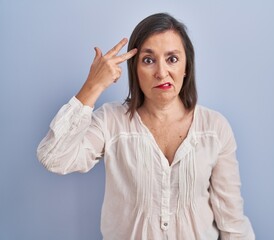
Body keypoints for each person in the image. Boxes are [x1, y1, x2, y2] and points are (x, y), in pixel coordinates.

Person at [37, 12, 255, 240]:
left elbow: (232, 225)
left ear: (186, 68)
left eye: (172, 59)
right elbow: (53, 158)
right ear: (135, 70)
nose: (162, 73)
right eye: (148, 60)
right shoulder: (111, 121)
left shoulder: (215, 128)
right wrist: (93, 86)